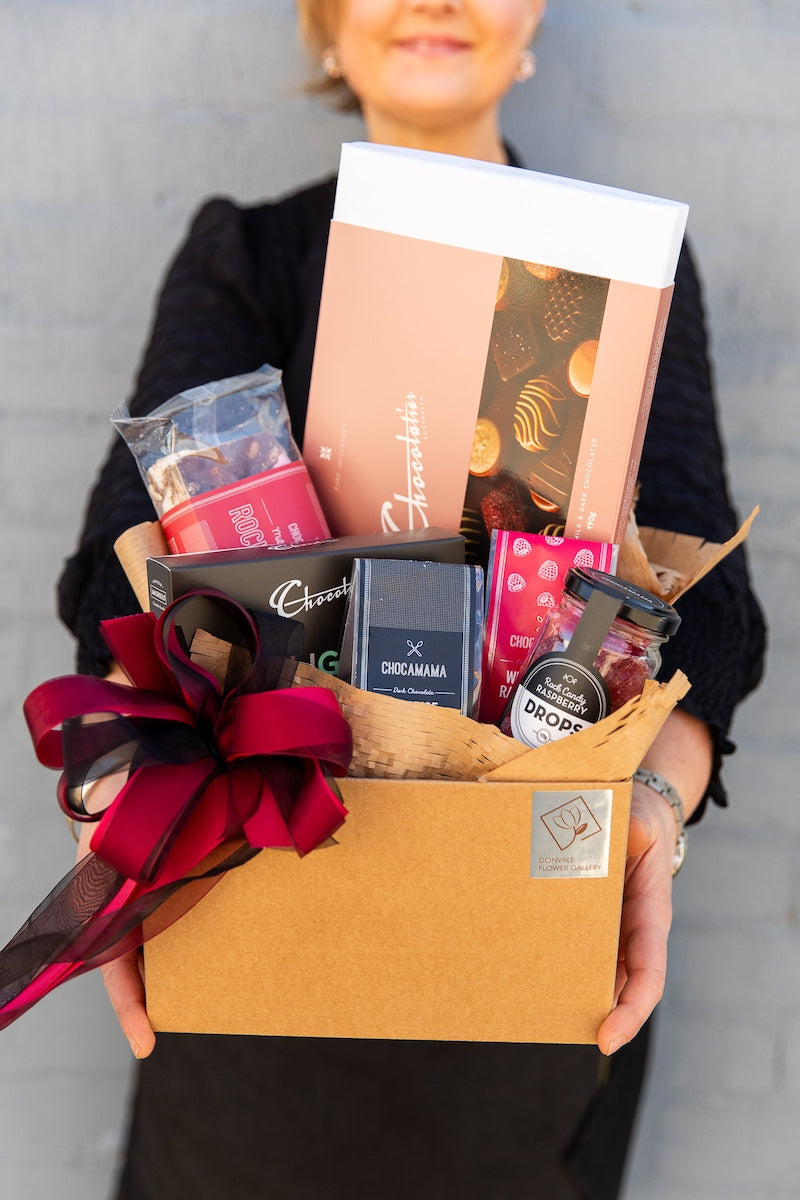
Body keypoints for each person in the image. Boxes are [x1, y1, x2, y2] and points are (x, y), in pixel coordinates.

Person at [57, 2, 765, 1197]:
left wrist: (647, 806)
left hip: (522, 940)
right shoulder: (254, 252)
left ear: (527, 18)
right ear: (326, 26)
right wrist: (121, 787)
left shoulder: (624, 269)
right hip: (259, 914)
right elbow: (112, 575)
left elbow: (711, 610)